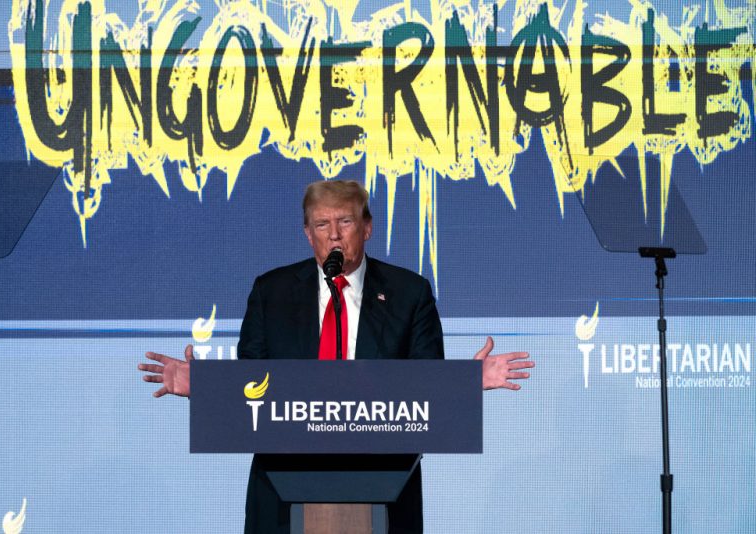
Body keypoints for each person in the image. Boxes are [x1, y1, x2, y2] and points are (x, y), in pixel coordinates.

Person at [139, 180, 534, 533]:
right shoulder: (271, 292)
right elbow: (252, 382)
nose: (334, 236)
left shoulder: (408, 293)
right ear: (308, 234)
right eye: (322, 225)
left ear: (367, 228)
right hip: (283, 485)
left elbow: (423, 390)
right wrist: (208, 389)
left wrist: (464, 383)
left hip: (383, 486)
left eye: (345, 222)